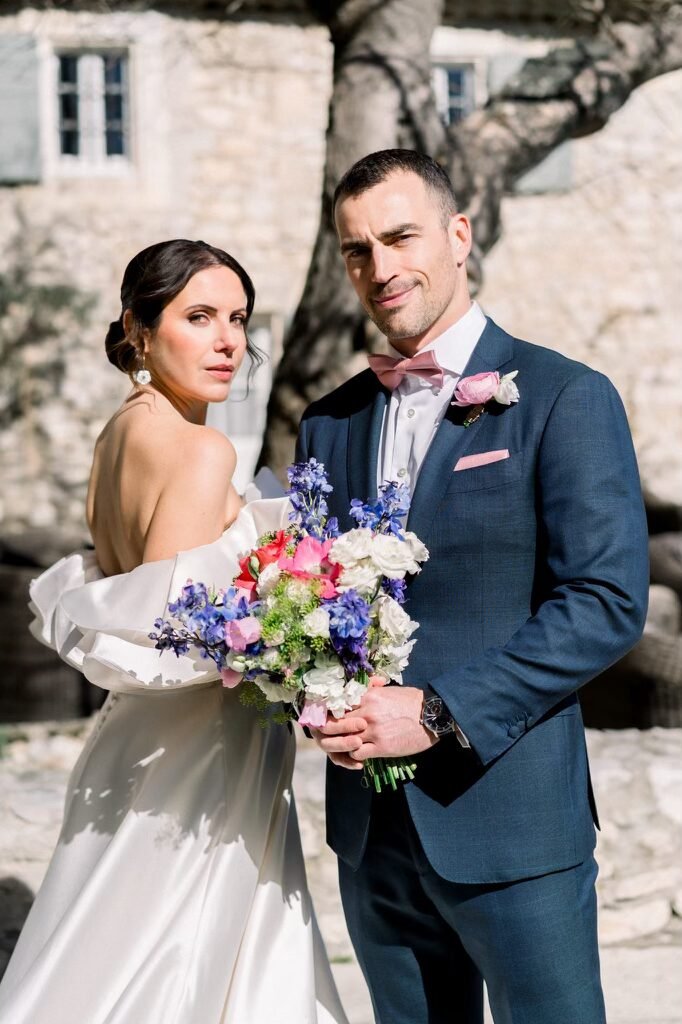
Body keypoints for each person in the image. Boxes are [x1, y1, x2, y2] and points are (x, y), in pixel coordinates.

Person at [297, 149, 649, 1024]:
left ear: (459, 235)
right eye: (357, 250)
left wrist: (438, 711)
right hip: (372, 832)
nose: (380, 268)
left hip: (511, 821)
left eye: (401, 237)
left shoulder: (566, 396)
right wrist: (311, 690)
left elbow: (606, 602)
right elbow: (312, 601)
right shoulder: (327, 423)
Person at [0, 239, 347, 1024]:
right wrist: (294, 640)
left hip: (141, 738)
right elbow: (172, 634)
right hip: (200, 753)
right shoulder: (200, 449)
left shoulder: (117, 436)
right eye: (199, 317)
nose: (228, 341)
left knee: (114, 945)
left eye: (238, 319)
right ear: (139, 329)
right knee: (176, 960)